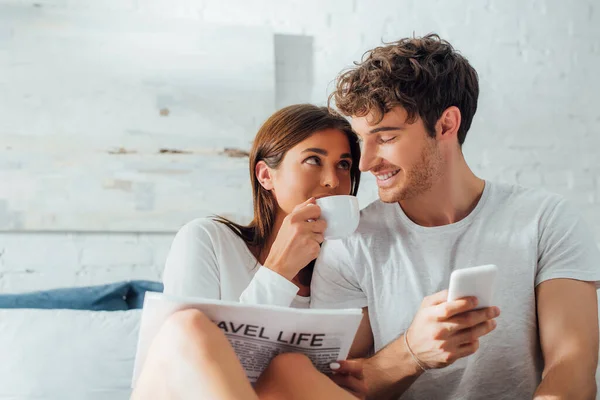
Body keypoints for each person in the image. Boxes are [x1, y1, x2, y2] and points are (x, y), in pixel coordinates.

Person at [311, 33, 600, 400]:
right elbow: (334, 388)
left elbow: (572, 366)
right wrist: (412, 352)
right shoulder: (351, 243)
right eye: (361, 140)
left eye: (385, 138)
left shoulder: (546, 221)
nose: (365, 163)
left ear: (446, 125)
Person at [132, 104, 366, 399]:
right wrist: (278, 270)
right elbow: (184, 364)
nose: (333, 180)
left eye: (343, 164)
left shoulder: (342, 271)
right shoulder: (207, 239)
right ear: (265, 175)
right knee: (188, 325)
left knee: (292, 367)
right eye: (313, 160)